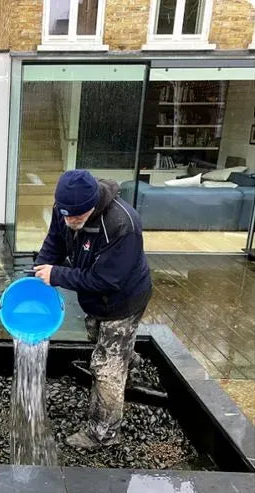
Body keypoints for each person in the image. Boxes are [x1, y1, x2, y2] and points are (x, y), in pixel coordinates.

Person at [34, 169, 152, 451]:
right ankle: (128, 361)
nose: (68, 221)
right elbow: (55, 242)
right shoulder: (66, 210)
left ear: (92, 205)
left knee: (105, 367)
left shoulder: (123, 225)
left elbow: (108, 281)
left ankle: (104, 434)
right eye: (64, 214)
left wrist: (58, 276)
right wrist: (37, 274)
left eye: (76, 217)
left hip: (123, 300)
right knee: (97, 336)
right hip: (95, 302)